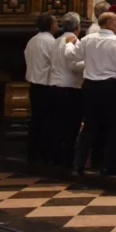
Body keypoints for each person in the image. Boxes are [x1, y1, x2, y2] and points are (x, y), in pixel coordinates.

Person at [65, 12, 116, 177]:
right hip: (110, 88)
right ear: (109, 23)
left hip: (89, 87)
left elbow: (71, 55)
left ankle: (78, 165)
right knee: (113, 127)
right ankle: (107, 166)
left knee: (90, 126)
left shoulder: (87, 40)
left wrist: (69, 44)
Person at [49, 13, 84, 168]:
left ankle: (55, 157)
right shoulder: (75, 41)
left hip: (55, 86)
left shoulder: (56, 41)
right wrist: (91, 63)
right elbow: (73, 65)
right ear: (78, 27)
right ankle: (67, 160)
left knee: (57, 125)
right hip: (70, 87)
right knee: (71, 126)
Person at [24, 12, 56, 164]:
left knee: (36, 120)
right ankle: (45, 154)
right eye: (56, 23)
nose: (57, 26)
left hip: (34, 85)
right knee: (47, 121)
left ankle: (33, 153)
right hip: (46, 85)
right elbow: (56, 63)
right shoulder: (50, 42)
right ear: (51, 26)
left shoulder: (32, 40)